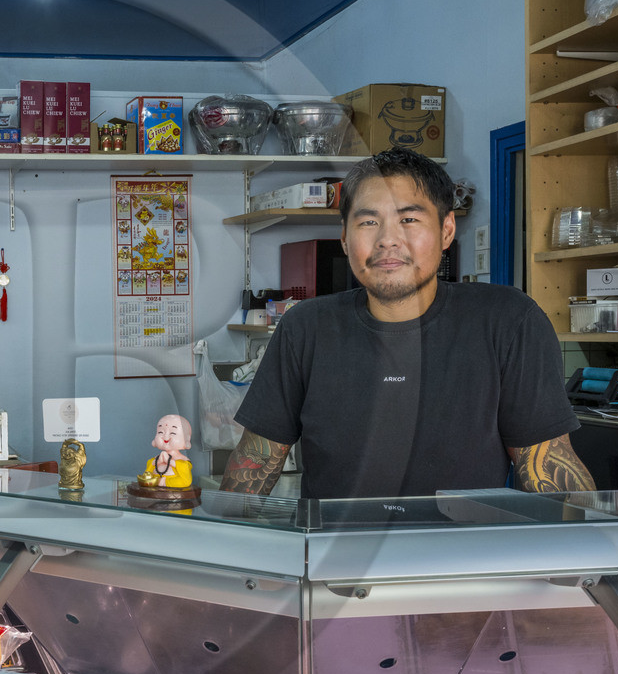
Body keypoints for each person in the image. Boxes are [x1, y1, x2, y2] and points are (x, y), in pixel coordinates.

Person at [222, 147, 593, 499]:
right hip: (335, 559)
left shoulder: (508, 321)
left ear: (447, 230)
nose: (388, 240)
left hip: (466, 557)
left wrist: (593, 550)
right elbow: (255, 461)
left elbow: (547, 469)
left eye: (409, 219)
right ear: (345, 239)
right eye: (369, 221)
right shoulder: (305, 328)